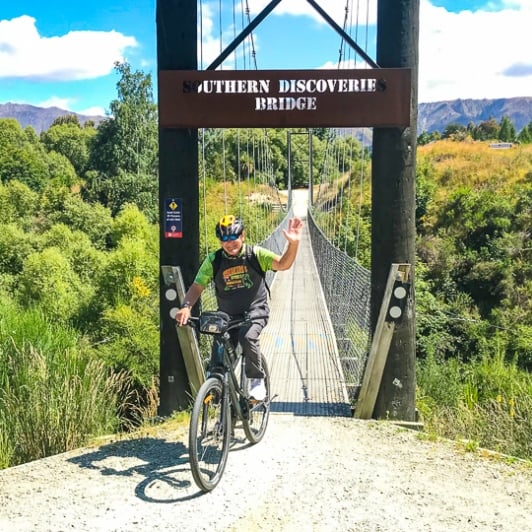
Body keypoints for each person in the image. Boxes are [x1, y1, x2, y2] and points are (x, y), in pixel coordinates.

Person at [176, 214, 304, 400]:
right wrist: (186, 306)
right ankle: (219, 395)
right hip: (227, 316)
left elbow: (283, 264)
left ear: (242, 235)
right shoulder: (214, 260)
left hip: (255, 312)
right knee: (219, 349)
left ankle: (256, 380)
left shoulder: (256, 254)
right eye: (224, 239)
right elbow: (197, 286)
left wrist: (293, 244)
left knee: (247, 336)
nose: (229, 242)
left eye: (233, 236)